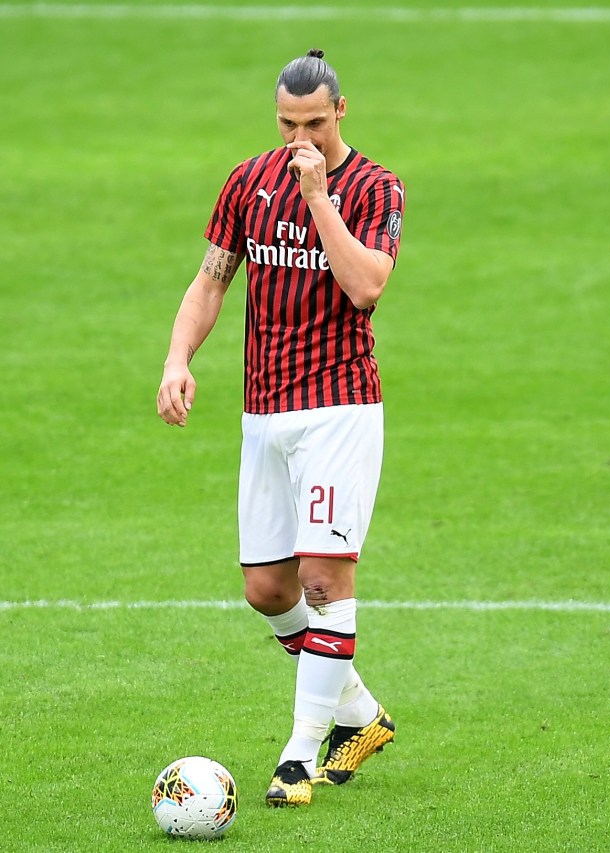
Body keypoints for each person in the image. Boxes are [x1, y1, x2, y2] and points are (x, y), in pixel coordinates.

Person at [157, 49, 405, 808]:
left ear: (341, 112)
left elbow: (365, 286)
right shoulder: (248, 181)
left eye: (315, 122)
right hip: (264, 411)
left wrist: (320, 199)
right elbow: (212, 278)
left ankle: (300, 757)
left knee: (325, 580)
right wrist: (177, 357)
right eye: (288, 122)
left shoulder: (375, 186)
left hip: (339, 408)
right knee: (268, 589)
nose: (300, 135)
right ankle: (360, 715)